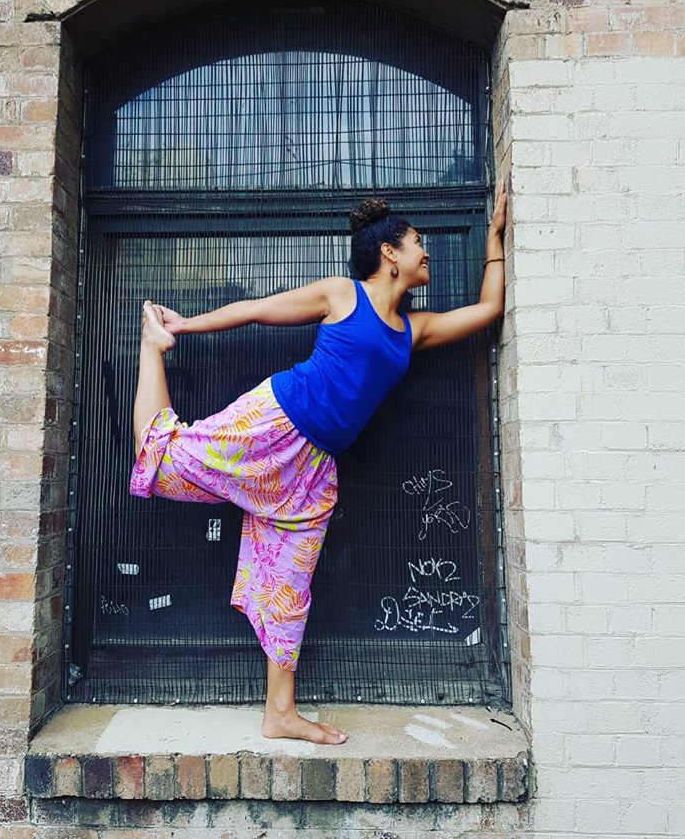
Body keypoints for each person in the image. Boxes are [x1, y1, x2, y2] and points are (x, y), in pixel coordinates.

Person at [130, 180, 508, 745]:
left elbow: (489, 308)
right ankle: (150, 347)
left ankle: (279, 713)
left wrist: (495, 236)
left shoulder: (413, 330)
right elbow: (258, 310)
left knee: (290, 586)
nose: (426, 251)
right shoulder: (342, 295)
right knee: (162, 461)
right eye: (418, 243)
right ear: (390, 253)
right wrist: (183, 326)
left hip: (313, 470)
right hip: (275, 422)